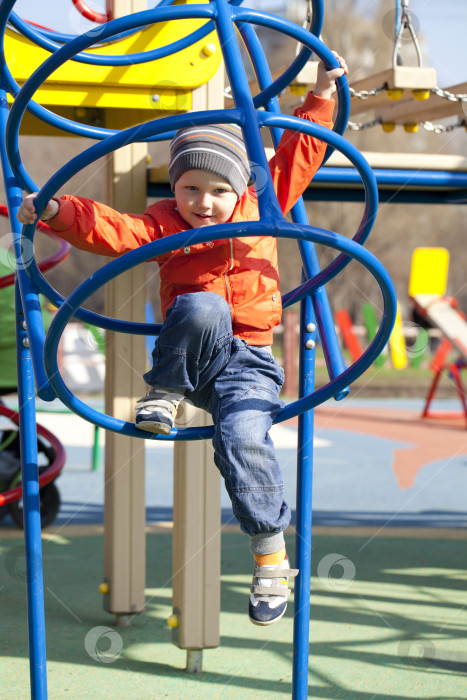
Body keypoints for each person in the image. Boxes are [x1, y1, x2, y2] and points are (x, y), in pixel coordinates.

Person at [18, 53, 348, 626]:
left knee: (244, 441)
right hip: (196, 356)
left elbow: (304, 149)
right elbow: (110, 228)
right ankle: (164, 393)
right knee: (202, 305)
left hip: (252, 365)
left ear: (240, 188)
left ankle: (270, 552)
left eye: (217, 190)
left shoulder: (263, 205)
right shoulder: (166, 222)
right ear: (176, 188)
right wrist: (54, 211)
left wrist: (321, 93)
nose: (202, 202)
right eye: (190, 187)